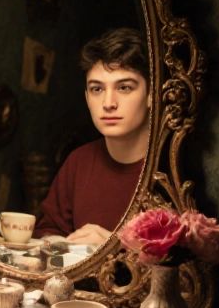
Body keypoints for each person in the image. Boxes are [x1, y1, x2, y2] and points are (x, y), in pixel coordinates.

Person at [32, 28, 150, 246]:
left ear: (151, 95)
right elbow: (46, 233)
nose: (108, 103)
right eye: (97, 89)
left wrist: (116, 246)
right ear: (87, 98)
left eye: (124, 87)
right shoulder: (78, 162)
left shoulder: (167, 166)